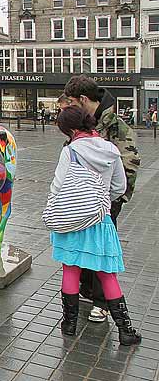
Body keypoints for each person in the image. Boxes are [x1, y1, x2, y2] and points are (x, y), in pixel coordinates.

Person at [49, 106, 141, 346]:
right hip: (100, 220)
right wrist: (101, 199)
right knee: (107, 274)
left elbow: (58, 186)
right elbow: (120, 188)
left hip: (73, 221)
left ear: (69, 129)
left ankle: (68, 324)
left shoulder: (70, 151)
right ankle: (126, 330)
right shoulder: (110, 149)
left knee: (70, 270)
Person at [64, 75, 141, 323]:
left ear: (84, 99)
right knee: (83, 247)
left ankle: (102, 302)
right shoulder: (84, 123)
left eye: (74, 101)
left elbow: (129, 167)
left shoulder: (117, 127)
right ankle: (86, 292)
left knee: (101, 250)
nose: (71, 106)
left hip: (105, 203)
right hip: (80, 203)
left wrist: (112, 201)